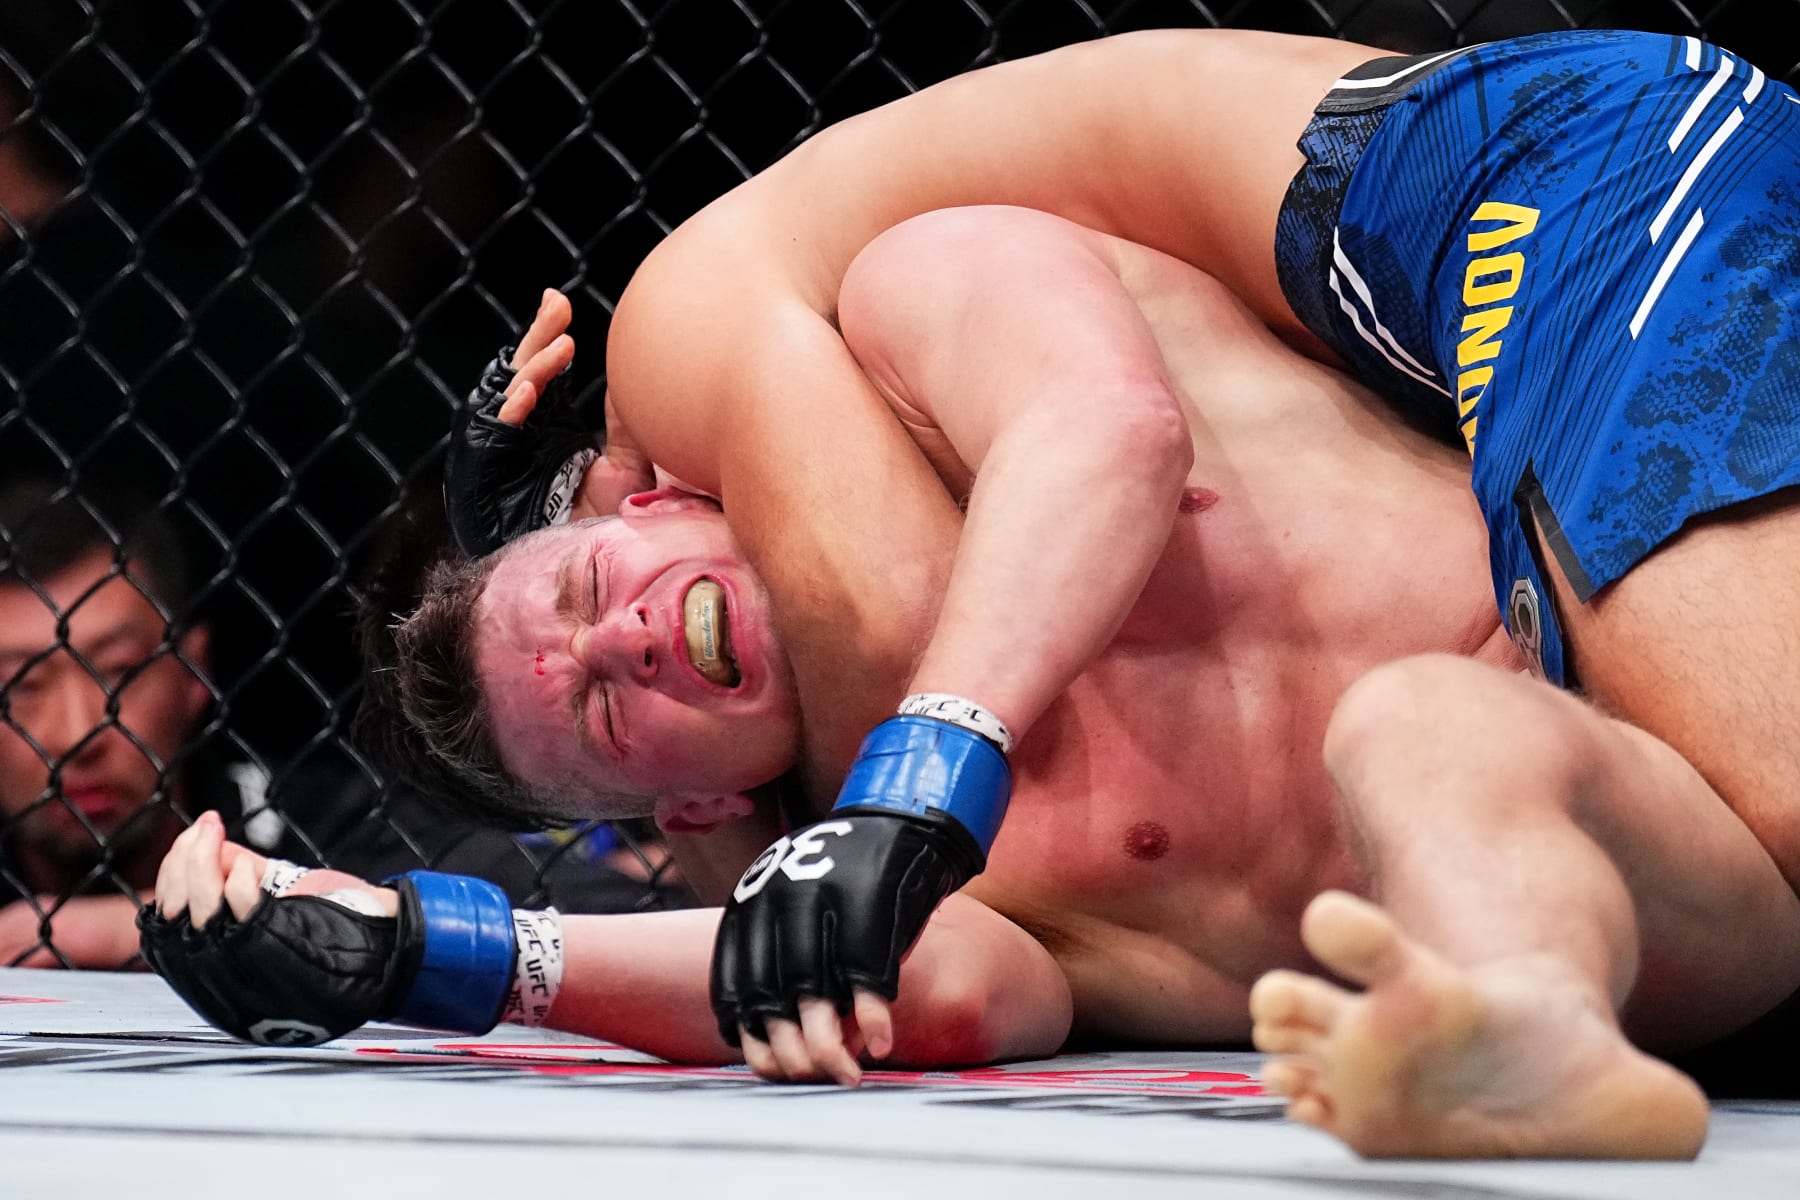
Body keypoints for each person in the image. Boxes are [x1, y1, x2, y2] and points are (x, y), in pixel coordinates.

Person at [148, 208, 1800, 1159]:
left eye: (590, 590)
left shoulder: (915, 299)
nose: (626, 640)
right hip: (1686, 889)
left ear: (658, 497)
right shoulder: (946, 889)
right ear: (700, 801)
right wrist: (424, 956)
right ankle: (1525, 1026)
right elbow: (916, 994)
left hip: (1698, 592)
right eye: (598, 706)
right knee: (1424, 730)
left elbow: (1114, 434)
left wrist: (922, 780)